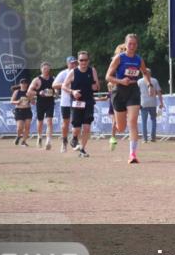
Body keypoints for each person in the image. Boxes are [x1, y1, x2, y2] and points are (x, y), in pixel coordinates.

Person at [105, 34, 152, 164]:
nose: (132, 46)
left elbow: (145, 72)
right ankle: (115, 134)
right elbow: (107, 77)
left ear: (137, 46)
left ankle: (133, 154)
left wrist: (149, 84)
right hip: (119, 91)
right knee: (121, 127)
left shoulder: (138, 59)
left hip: (133, 91)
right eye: (129, 44)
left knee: (132, 122)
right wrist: (120, 80)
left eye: (134, 44)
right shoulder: (118, 58)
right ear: (125, 45)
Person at [63, 50, 100, 158]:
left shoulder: (92, 70)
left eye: (85, 60)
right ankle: (74, 137)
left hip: (88, 102)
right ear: (78, 61)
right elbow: (64, 86)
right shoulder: (73, 72)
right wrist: (72, 92)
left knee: (87, 127)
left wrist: (96, 87)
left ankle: (82, 149)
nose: (83, 62)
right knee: (77, 128)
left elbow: (97, 85)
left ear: (88, 61)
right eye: (81, 60)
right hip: (77, 103)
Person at [53, 56, 77, 153]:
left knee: (76, 122)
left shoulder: (79, 72)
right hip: (66, 101)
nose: (74, 64)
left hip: (77, 100)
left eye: (75, 63)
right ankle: (64, 141)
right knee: (66, 123)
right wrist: (65, 84)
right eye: (72, 63)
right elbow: (54, 85)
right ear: (67, 64)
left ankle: (75, 141)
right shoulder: (63, 73)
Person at [28, 62, 56, 150]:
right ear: (41, 69)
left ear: (49, 69)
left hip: (50, 102)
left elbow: (57, 90)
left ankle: (48, 141)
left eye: (47, 69)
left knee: (49, 121)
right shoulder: (37, 80)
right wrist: (38, 93)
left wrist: (56, 93)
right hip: (40, 103)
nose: (46, 70)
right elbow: (29, 91)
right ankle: (39, 136)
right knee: (40, 122)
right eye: (44, 69)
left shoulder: (53, 79)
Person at [139, 75, 164, 142]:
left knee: (144, 122)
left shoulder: (140, 81)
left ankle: (145, 138)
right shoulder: (155, 80)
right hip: (153, 103)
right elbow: (159, 92)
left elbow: (137, 93)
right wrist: (161, 102)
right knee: (153, 120)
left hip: (143, 103)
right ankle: (153, 137)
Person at [11, 78, 33, 146]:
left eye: (25, 83)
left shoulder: (29, 92)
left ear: (27, 84)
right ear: (20, 84)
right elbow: (11, 101)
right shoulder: (17, 92)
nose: (24, 84)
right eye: (22, 83)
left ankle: (24, 141)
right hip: (19, 110)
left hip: (27, 110)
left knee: (27, 127)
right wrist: (17, 102)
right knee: (19, 127)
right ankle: (18, 136)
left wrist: (30, 98)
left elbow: (33, 102)